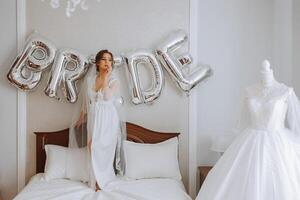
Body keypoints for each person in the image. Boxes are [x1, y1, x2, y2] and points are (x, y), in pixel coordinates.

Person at [196, 60, 300, 200]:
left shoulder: (286, 91)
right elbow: (242, 121)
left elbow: (295, 123)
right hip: (250, 140)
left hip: (278, 143)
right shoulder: (249, 91)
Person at [69, 49, 124, 191]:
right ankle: (95, 178)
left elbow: (107, 97)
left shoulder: (114, 80)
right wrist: (80, 119)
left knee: (102, 147)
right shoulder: (90, 80)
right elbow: (88, 103)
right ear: (98, 62)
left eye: (110, 60)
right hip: (94, 116)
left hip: (107, 117)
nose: (107, 62)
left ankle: (103, 180)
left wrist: (105, 77)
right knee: (91, 146)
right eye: (104, 59)